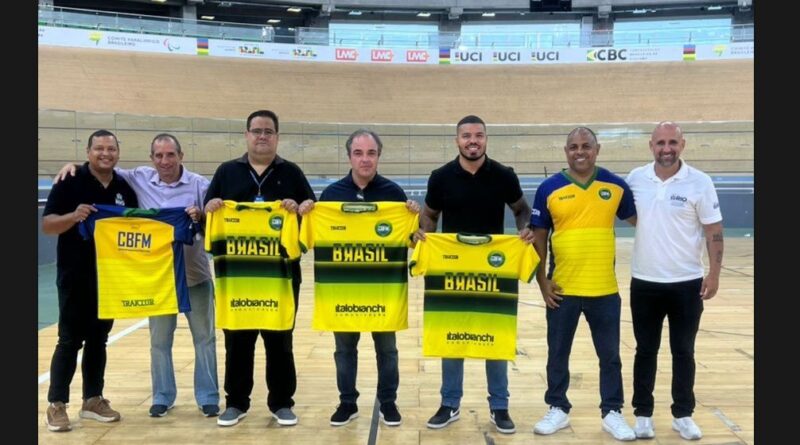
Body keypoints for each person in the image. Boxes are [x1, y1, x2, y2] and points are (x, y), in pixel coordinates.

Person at [54, 133, 220, 419]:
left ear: (181, 156)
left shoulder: (200, 185)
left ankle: (208, 398)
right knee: (159, 341)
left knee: (204, 339)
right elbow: (101, 165)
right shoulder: (138, 178)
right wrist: (73, 166)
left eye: (170, 155)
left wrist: (201, 217)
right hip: (157, 278)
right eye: (159, 156)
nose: (164, 161)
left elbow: (214, 227)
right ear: (151, 158)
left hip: (196, 275)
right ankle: (162, 397)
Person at [415, 115, 535, 435]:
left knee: (494, 335)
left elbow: (522, 208)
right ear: (457, 140)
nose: (473, 141)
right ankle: (449, 402)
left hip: (493, 268)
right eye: (466, 135)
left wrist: (524, 230)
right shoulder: (440, 177)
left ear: (485, 139)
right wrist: (422, 236)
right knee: (452, 335)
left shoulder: (503, 175)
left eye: (478, 135)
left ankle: (499, 406)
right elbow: (429, 216)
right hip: (452, 266)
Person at [297, 129, 419, 427]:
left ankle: (388, 402)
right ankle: (347, 402)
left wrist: (414, 219)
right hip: (343, 294)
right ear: (349, 155)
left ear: (379, 156)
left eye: (371, 153)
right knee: (344, 350)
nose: (365, 159)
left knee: (387, 349)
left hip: (383, 293)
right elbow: (310, 238)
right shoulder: (331, 196)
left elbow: (413, 241)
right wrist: (307, 213)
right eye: (359, 153)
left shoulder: (394, 195)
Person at [203, 110, 315, 427]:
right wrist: (210, 209)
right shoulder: (226, 172)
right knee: (237, 341)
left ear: (277, 136)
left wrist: (300, 210)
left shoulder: (291, 172)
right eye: (256, 130)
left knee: (280, 341)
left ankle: (282, 403)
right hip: (237, 279)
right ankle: (236, 403)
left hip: (281, 277)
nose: (262, 136)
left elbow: (311, 217)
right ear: (246, 135)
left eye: (268, 131)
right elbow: (206, 221)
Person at [530, 127, 637, 441]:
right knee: (557, 353)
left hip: (604, 289)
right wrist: (542, 282)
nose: (580, 152)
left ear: (597, 149)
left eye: (586, 146)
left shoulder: (616, 186)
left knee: (610, 356)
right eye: (574, 146)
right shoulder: (549, 188)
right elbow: (538, 237)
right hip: (562, 289)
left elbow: (645, 223)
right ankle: (558, 409)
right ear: (566, 151)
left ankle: (612, 412)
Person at [625, 122, 724, 441]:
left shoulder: (700, 182)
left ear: (682, 144)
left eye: (672, 142)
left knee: (683, 350)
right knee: (645, 350)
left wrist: (714, 273)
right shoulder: (636, 178)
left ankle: (683, 413)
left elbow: (714, 231)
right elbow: (632, 216)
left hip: (687, 283)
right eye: (660, 143)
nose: (666, 149)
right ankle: (643, 414)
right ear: (650, 146)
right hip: (644, 282)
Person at [42, 129, 139, 432]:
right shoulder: (69, 180)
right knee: (69, 339)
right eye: (99, 148)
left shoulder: (123, 185)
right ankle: (57, 404)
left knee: (99, 339)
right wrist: (73, 216)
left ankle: (93, 399)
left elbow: (136, 223)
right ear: (88, 152)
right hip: (74, 274)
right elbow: (47, 225)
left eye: (111, 149)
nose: (105, 154)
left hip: (109, 276)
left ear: (118, 153)